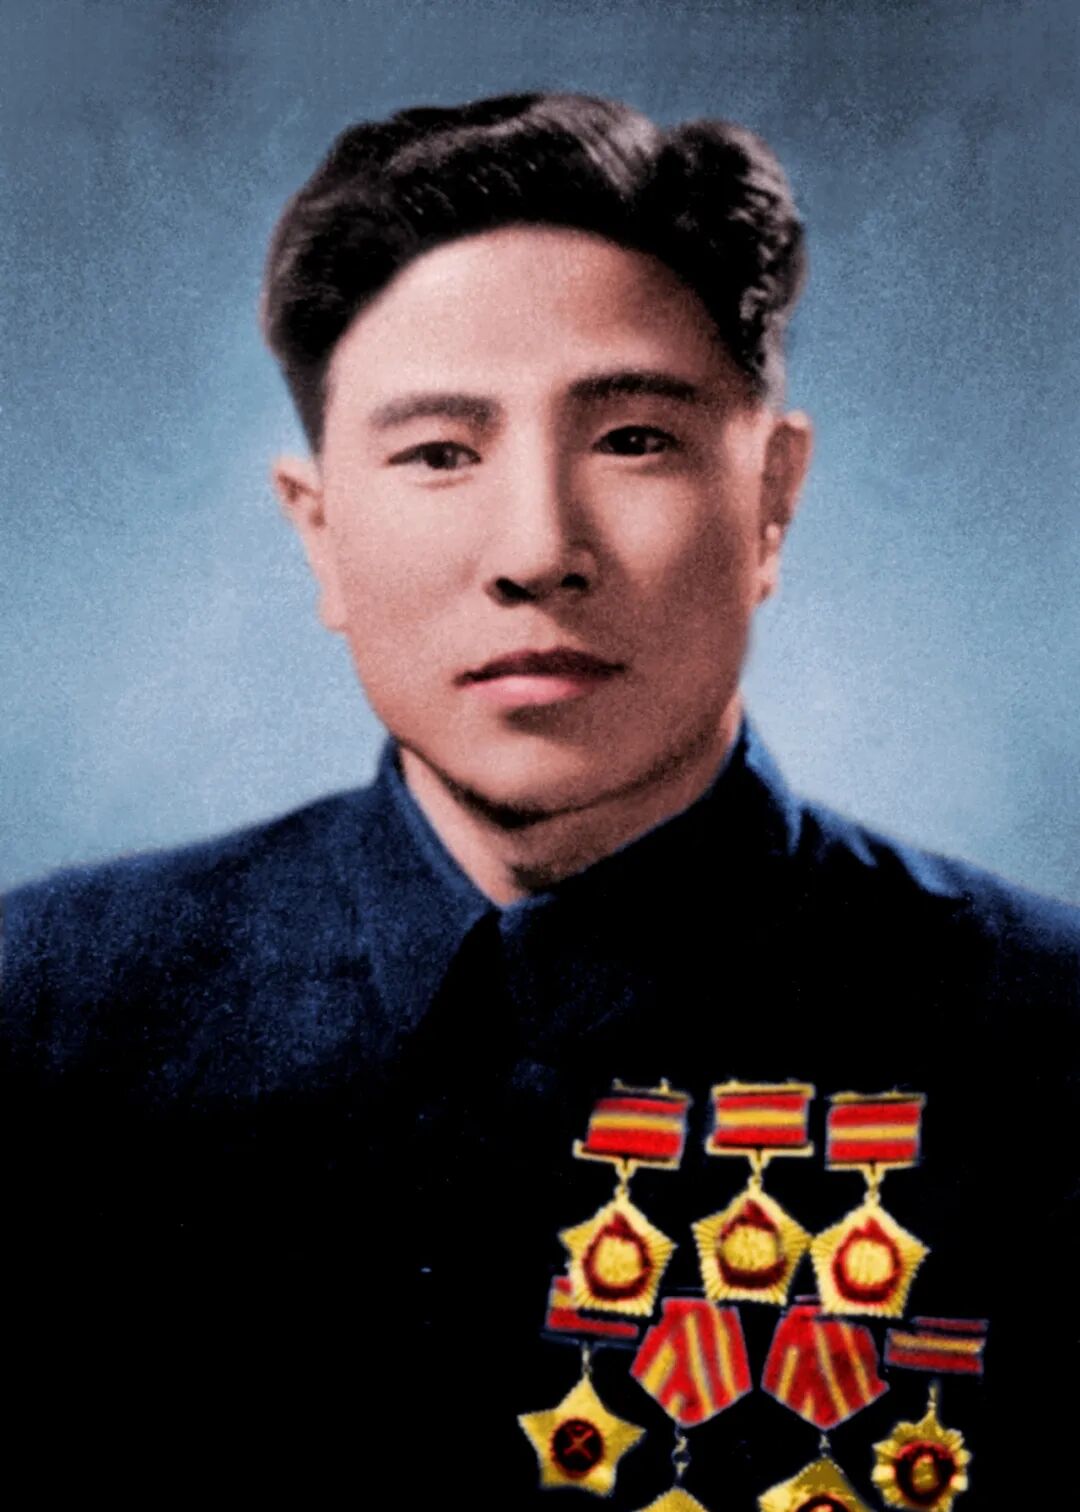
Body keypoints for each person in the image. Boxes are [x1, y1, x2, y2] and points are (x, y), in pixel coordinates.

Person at [2, 92, 1076, 1507]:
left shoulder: (1048, 1040)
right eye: (440, 453)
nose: (535, 550)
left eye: (632, 437)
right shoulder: (46, 1018)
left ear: (772, 499)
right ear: (318, 533)